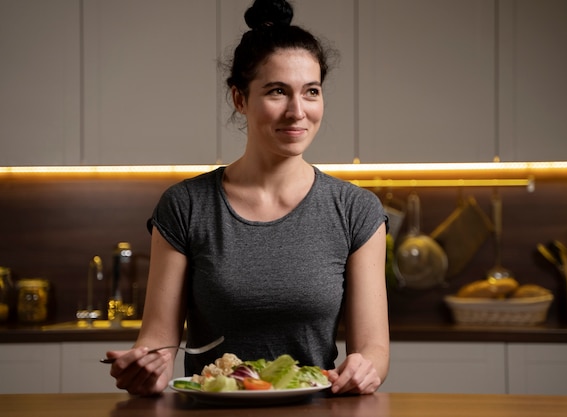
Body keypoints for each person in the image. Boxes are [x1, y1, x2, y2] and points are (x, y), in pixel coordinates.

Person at [105, 0, 389, 396]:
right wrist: (148, 366)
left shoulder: (356, 210)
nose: (297, 111)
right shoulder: (186, 206)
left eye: (311, 91)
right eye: (277, 91)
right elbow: (157, 341)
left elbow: (373, 349)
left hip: (314, 410)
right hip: (212, 411)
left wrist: (366, 369)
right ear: (240, 99)